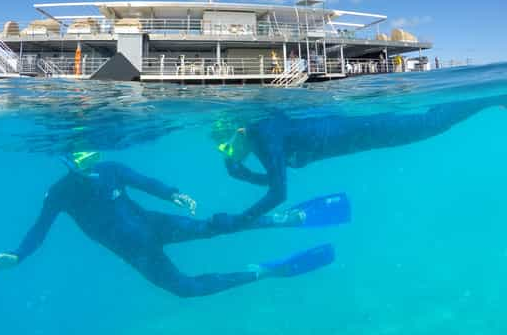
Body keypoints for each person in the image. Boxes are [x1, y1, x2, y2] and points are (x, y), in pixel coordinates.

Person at [0, 152, 349, 298]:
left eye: (89, 149)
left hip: (154, 225)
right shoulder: (59, 192)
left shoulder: (109, 169)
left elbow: (144, 182)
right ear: (65, 159)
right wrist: (18, 256)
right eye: (77, 154)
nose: (87, 157)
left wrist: (174, 194)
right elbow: (39, 230)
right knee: (185, 290)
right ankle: (263, 272)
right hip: (137, 252)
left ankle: (285, 219)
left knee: (216, 227)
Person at [213, 95, 507, 228]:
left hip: (361, 131)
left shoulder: (265, 135)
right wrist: (238, 171)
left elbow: (278, 192)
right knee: (425, 123)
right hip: (356, 139)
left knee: (428, 125)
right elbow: (266, 177)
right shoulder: (256, 140)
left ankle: (492, 95)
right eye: (220, 151)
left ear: (239, 131)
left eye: (226, 148)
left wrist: (241, 220)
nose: (226, 155)